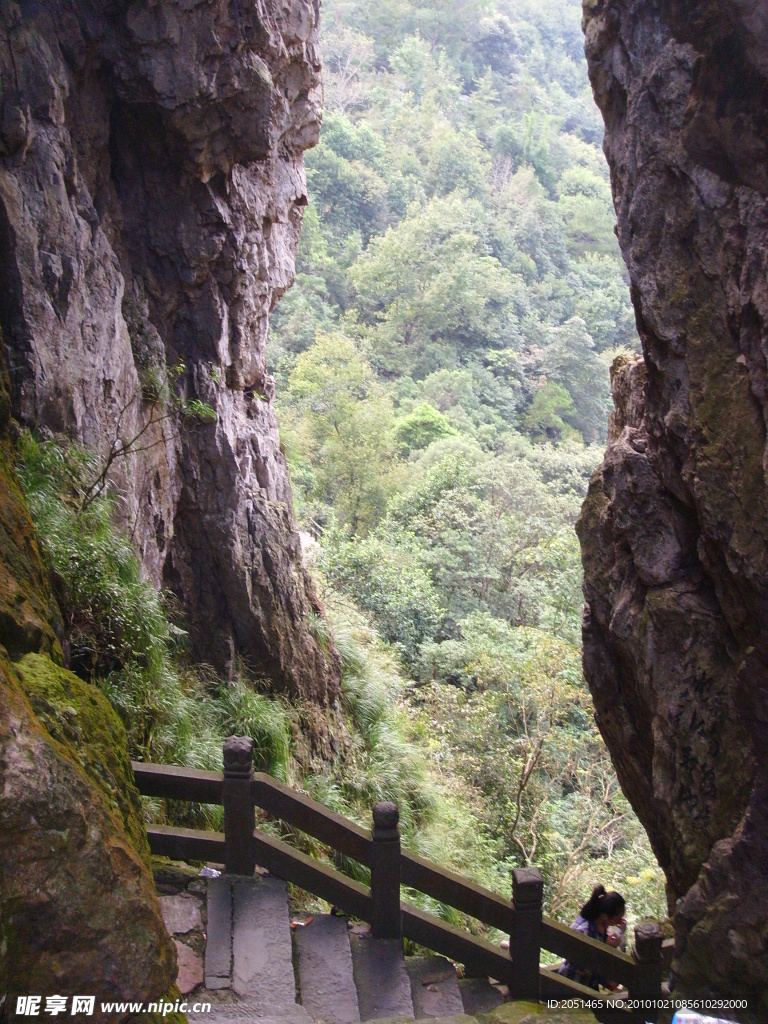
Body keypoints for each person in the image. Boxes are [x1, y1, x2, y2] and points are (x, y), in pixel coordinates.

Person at [557, 884, 627, 991]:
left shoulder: (603, 923)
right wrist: (607, 947)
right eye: (618, 919)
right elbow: (584, 965)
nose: (620, 922)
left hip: (591, 983)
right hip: (574, 983)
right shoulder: (583, 931)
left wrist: (620, 932)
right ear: (605, 917)